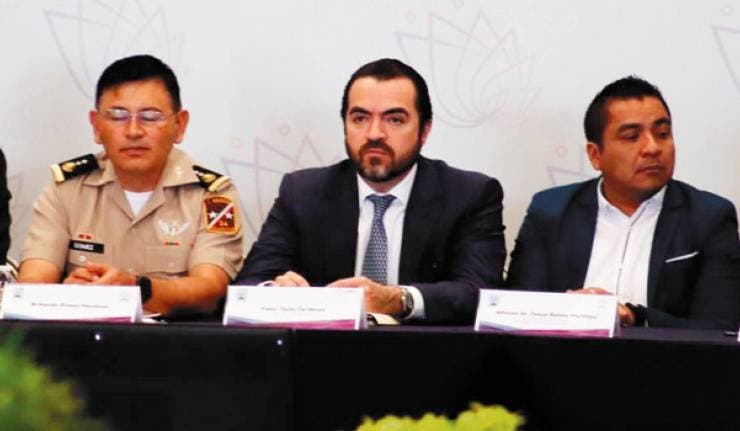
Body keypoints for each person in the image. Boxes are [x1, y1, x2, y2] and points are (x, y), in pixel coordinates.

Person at [236, 58, 506, 325]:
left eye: (395, 120)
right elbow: (249, 284)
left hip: (427, 349)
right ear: (345, 125)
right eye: (360, 118)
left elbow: (478, 292)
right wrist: (275, 292)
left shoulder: (470, 195)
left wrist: (399, 300)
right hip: (325, 348)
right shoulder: (303, 192)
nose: (374, 133)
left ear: (424, 130)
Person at [507, 76, 740, 329]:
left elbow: (719, 328)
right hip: (563, 353)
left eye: (662, 134)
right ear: (595, 155)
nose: (652, 148)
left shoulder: (709, 217)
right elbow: (516, 314)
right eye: (631, 137)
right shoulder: (550, 211)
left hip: (664, 355)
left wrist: (635, 317)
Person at [18, 55, 243, 316]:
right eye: (118, 116)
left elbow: (210, 290)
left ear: (179, 125)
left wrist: (135, 290)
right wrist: (69, 294)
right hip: (82, 334)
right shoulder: (67, 189)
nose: (133, 131)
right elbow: (32, 284)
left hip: (174, 338)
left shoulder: (212, 195)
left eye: (150, 116)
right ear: (96, 126)